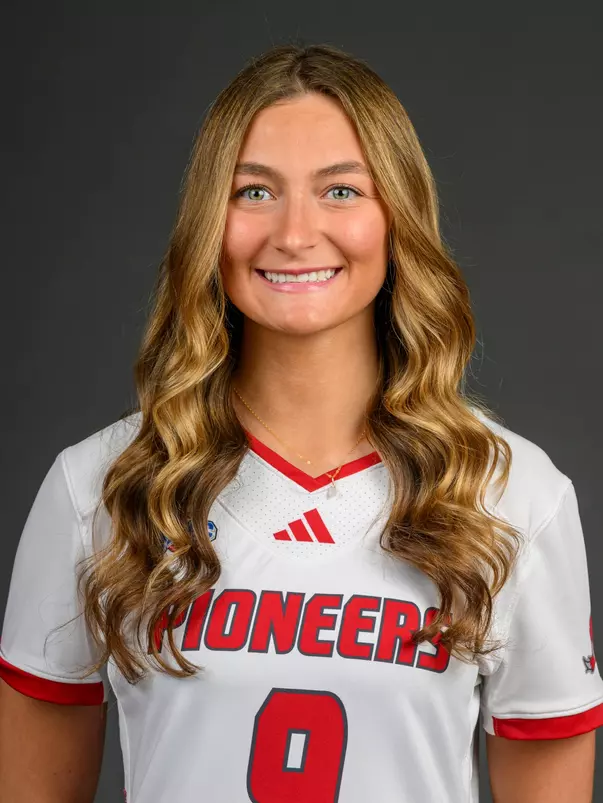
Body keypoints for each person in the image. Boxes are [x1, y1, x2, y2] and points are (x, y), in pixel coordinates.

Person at [0, 43, 601, 803]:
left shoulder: (510, 495)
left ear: (398, 216)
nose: (293, 232)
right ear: (208, 221)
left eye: (341, 191)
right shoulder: (99, 488)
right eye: (253, 192)